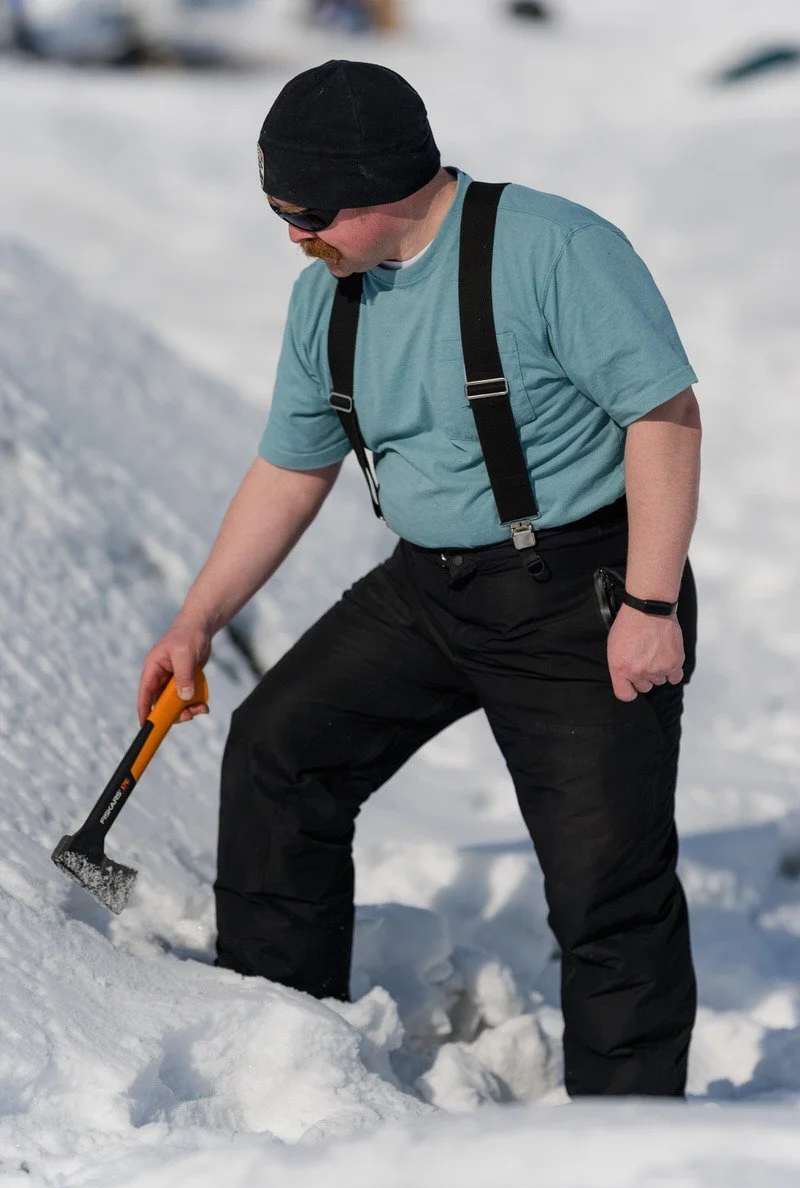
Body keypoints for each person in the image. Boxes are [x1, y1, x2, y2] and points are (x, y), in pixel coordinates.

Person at [138, 59, 702, 1099]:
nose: (293, 240)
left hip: (585, 593)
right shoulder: (329, 299)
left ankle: (633, 1139)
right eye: (277, 214)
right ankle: (280, 1048)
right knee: (279, 751)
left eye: (305, 215)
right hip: (428, 591)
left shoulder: (555, 252)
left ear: (381, 185)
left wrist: (650, 604)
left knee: (603, 889)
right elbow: (289, 467)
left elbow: (661, 420)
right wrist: (198, 617)